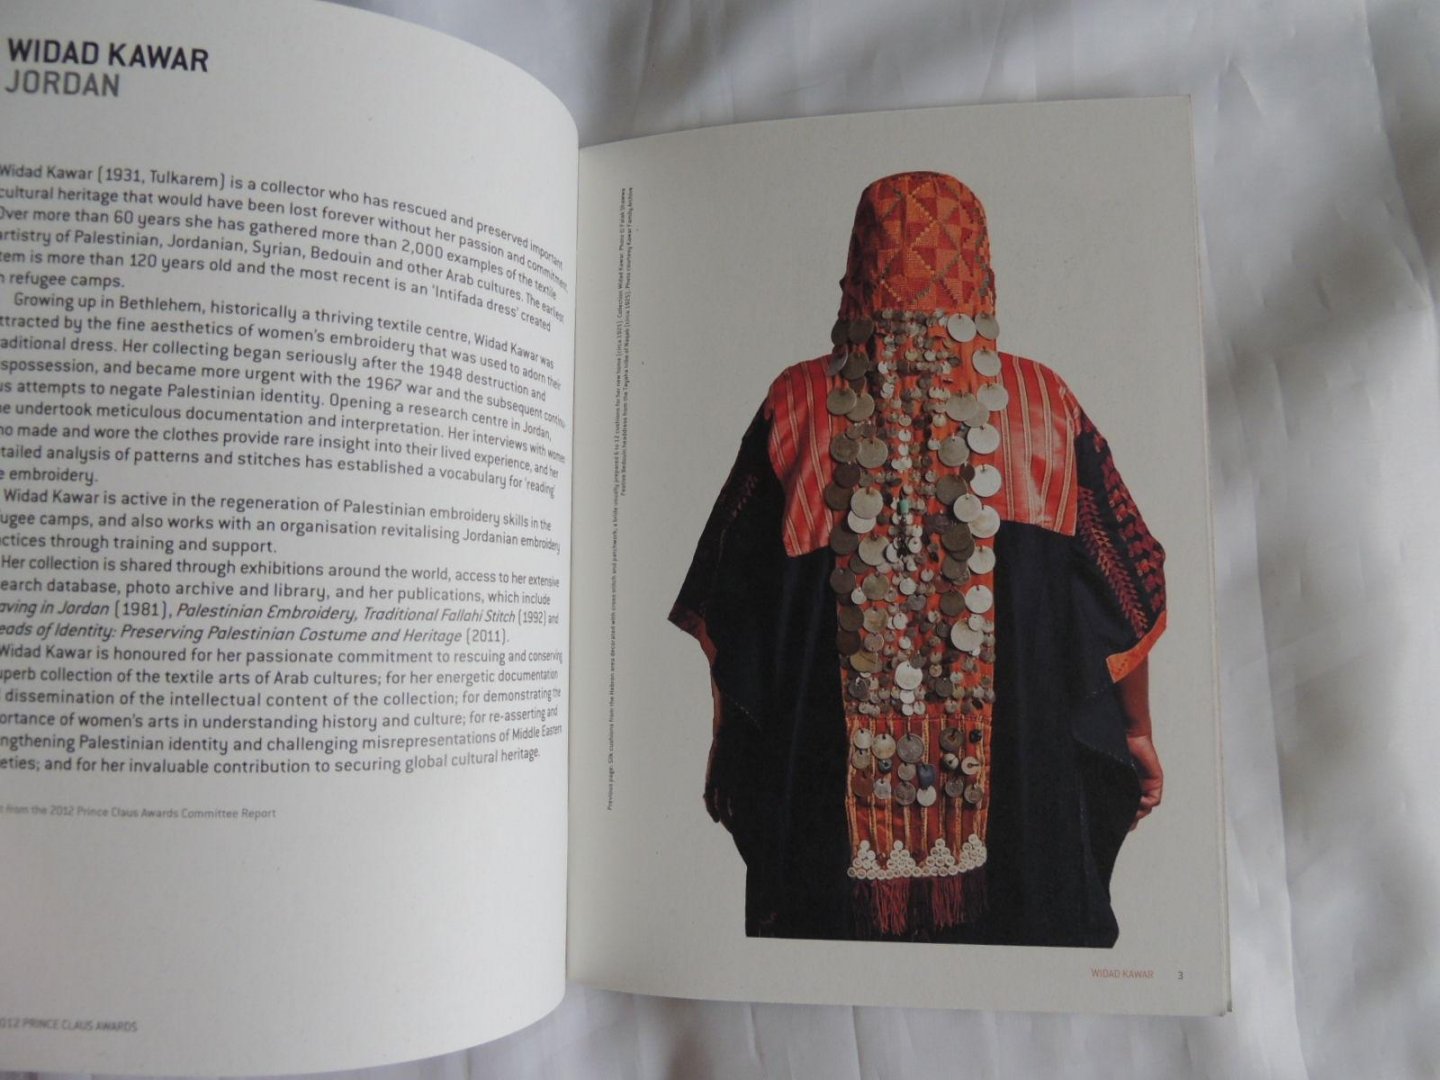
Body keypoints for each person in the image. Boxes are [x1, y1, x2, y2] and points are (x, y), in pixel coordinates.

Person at [669, 172, 1166, 946]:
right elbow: (1124, 591)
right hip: (1023, 823)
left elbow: (734, 612)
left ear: (857, 269)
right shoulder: (1045, 402)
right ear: (982, 268)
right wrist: (1135, 734)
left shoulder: (796, 403)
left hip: (830, 845)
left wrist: (727, 743)